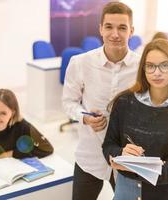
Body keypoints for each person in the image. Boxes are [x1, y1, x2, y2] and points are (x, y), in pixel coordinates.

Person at [102, 39, 168, 200]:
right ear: (143, 69)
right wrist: (120, 153)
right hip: (125, 192)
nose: (157, 72)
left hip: (161, 193)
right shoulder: (124, 101)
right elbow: (108, 145)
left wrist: (141, 168)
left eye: (164, 65)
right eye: (150, 66)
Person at [62, 2, 140, 200]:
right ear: (100, 29)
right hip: (90, 154)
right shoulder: (80, 62)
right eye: (109, 27)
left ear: (131, 30)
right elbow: (69, 102)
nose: (115, 33)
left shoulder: (142, 67)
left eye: (122, 27)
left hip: (126, 157)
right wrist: (85, 117)